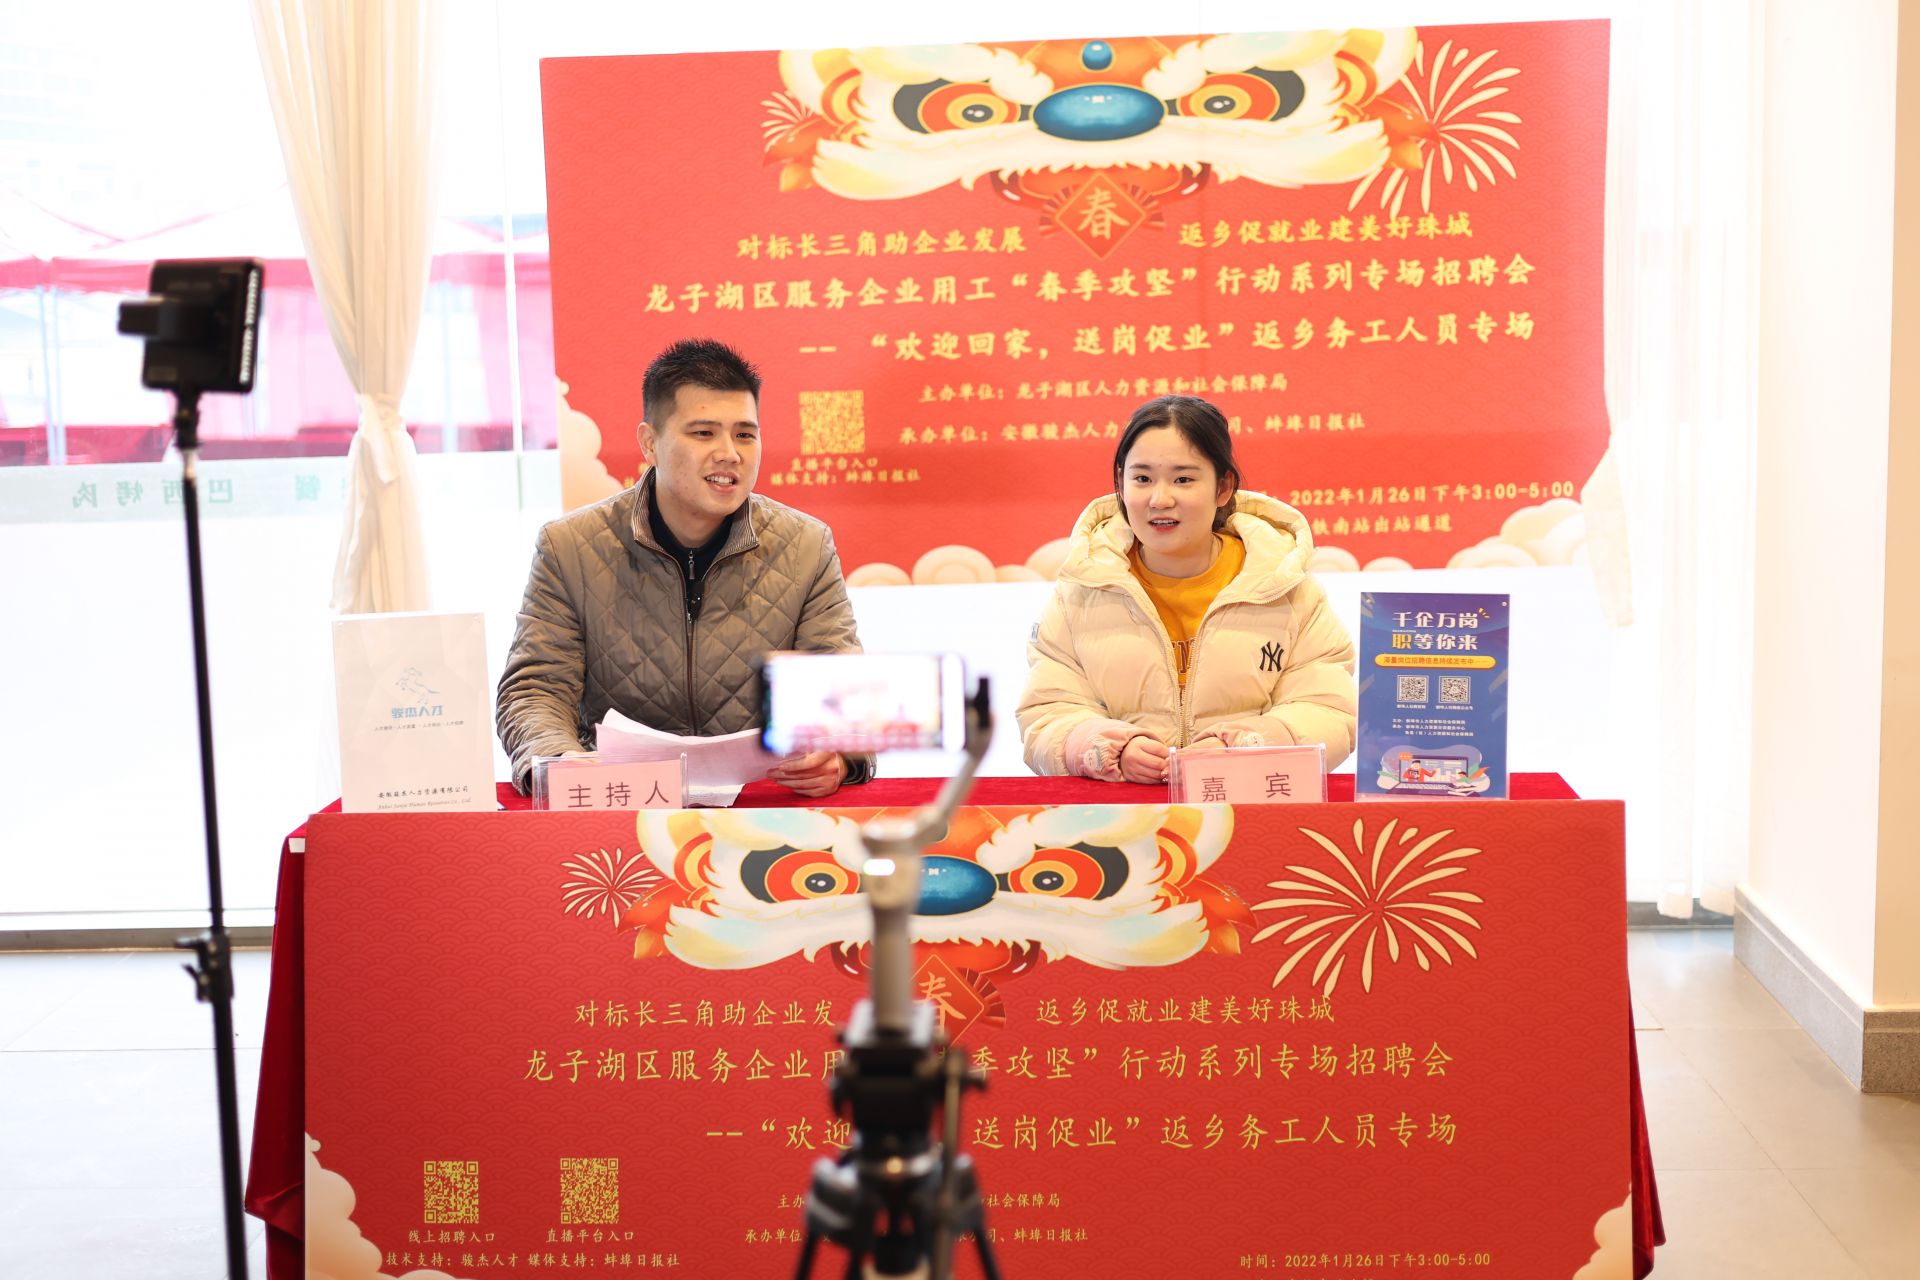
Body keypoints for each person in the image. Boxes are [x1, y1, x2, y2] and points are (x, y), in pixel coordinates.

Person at [497, 338, 870, 797]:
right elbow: (536, 689)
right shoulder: (569, 547)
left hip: (762, 805)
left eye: (745, 434)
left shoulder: (806, 546)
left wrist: (838, 755)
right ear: (650, 443)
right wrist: (560, 761)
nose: (730, 453)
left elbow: (843, 692)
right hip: (619, 804)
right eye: (704, 433)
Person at [1018, 394, 1357, 783]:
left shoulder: (1287, 590)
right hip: (1125, 813)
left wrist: (1245, 748)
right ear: (1121, 485)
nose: (1160, 499)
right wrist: (1110, 749)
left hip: (1246, 802)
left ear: (1223, 488)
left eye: (1183, 479)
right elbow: (1047, 713)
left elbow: (1327, 711)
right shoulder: (1080, 593)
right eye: (1142, 479)